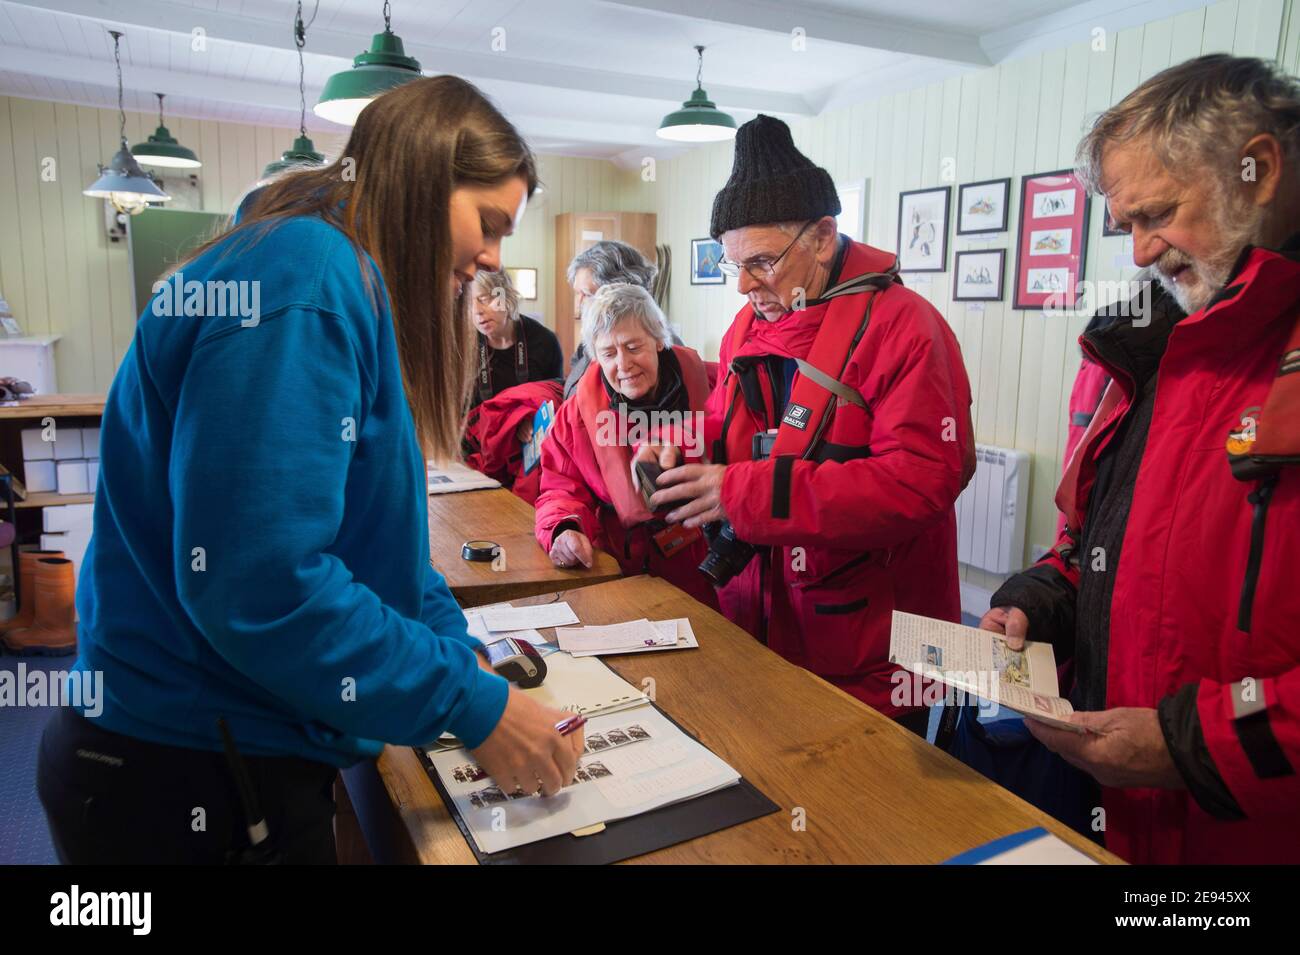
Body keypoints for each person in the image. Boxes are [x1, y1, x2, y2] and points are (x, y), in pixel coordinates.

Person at [36, 76, 583, 864]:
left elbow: (366, 547)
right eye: (488, 223)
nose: (492, 257)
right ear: (424, 179)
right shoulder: (308, 281)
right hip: (182, 772)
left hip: (212, 749)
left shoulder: (319, 267)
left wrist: (454, 649)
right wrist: (472, 704)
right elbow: (262, 582)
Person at [981, 54, 1300, 864]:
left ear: (1257, 170)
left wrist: (1189, 744)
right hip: (1128, 813)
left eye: (1156, 214)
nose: (1138, 253)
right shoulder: (1142, 346)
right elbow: (1100, 546)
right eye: (1124, 224)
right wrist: (1036, 605)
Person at [641, 115, 975, 734]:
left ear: (823, 237)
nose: (743, 285)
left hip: (869, 657)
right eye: (732, 262)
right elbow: (727, 432)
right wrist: (680, 456)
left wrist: (739, 492)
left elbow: (922, 483)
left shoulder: (908, 329)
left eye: (762, 262)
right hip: (757, 622)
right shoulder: (750, 327)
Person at [536, 283, 718, 609]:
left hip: (709, 567)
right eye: (608, 353)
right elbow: (559, 490)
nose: (623, 364)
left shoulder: (718, 387)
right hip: (620, 570)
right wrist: (563, 529)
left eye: (634, 347)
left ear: (660, 339)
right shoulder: (575, 417)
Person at [563, 240, 681, 399]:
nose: (579, 305)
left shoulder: (663, 350)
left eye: (588, 295)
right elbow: (571, 385)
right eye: (578, 294)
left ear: (621, 294)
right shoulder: (596, 336)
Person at [468, 269, 562, 409]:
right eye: (468, 303)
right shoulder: (463, 346)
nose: (477, 311)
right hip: (481, 429)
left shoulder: (545, 341)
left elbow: (556, 399)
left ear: (506, 297)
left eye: (484, 299)